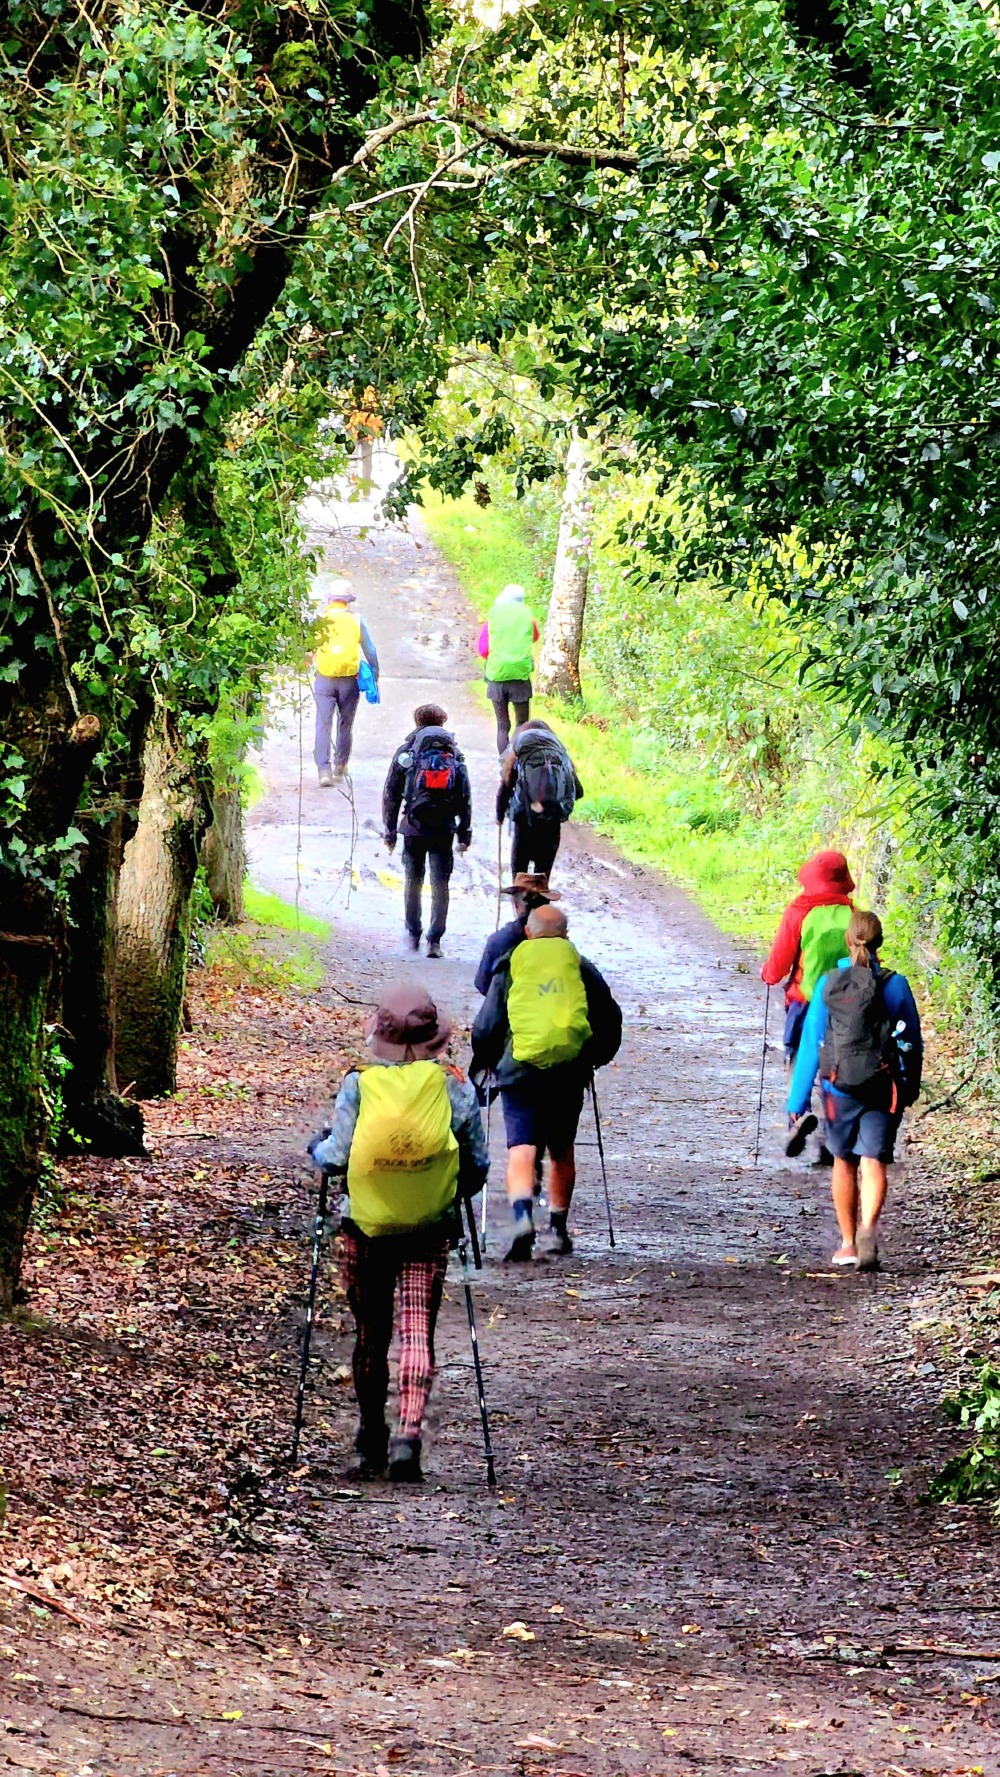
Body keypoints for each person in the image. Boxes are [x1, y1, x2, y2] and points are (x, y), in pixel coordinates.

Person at [308, 982, 488, 1482]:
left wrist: (315, 1150)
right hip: (428, 1227)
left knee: (371, 1332)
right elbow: (477, 1161)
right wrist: (451, 1191)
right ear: (434, 1036)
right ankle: (408, 1435)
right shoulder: (452, 1082)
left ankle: (370, 1434)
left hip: (364, 1226)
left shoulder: (358, 1084)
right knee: (416, 1331)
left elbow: (337, 1156)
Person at [471, 905, 622, 1263]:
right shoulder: (581, 967)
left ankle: (523, 1220)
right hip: (568, 1069)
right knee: (561, 1149)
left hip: (519, 1069)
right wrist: (592, 1058)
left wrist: (489, 1060)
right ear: (566, 935)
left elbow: (487, 1025)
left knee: (521, 1149)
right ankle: (557, 1228)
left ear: (528, 933)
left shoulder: (510, 965)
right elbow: (610, 1018)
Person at [785, 910, 922, 1272]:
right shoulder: (896, 984)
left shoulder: (829, 983)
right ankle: (868, 1233)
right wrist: (908, 1086)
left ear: (849, 940)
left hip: (837, 1086)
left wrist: (797, 1100)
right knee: (874, 1159)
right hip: (882, 1084)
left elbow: (812, 1041)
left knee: (843, 1161)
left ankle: (846, 1244)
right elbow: (911, 1041)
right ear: (879, 943)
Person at [382, 704, 472, 958]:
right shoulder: (454, 755)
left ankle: (413, 933)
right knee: (440, 883)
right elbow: (464, 796)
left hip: (413, 826)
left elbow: (391, 793)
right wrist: (465, 832)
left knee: (413, 880)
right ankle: (435, 940)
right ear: (442, 722)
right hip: (444, 827)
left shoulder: (407, 753)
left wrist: (390, 831)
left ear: (417, 722)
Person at [761, 849, 855, 1063]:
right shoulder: (854, 915)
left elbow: (778, 966)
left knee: (797, 1061)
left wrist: (768, 975)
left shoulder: (798, 913)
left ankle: (798, 1093)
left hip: (806, 1000)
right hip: (848, 1004)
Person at [310, 577, 379, 785]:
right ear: (348, 601)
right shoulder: (357, 620)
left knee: (323, 724)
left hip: (324, 678)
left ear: (330, 599)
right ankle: (340, 765)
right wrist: (374, 673)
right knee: (345, 723)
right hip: (349, 680)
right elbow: (370, 649)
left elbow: (308, 648)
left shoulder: (319, 619)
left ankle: (323, 771)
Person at [497, 719, 583, 880]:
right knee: (542, 879)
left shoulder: (520, 754)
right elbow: (578, 791)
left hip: (524, 822)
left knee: (520, 876)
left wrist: (499, 816)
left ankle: (520, 903)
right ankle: (540, 904)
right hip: (551, 823)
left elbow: (505, 788)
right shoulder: (560, 755)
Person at [478, 583, 541, 754]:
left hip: (497, 676)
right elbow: (535, 636)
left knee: (502, 726)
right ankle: (518, 761)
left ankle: (503, 764)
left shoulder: (494, 615)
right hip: (520, 676)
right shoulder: (527, 615)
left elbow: (483, 649)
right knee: (522, 723)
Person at [474, 873, 560, 996]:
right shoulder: (562, 942)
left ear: (516, 904)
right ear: (548, 904)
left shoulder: (499, 940)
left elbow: (482, 985)